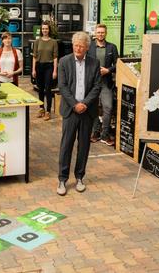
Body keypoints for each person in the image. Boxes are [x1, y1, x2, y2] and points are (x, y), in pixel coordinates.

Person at [56, 31, 102, 196]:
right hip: (70, 110)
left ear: (87, 48)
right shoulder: (64, 62)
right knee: (66, 145)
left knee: (84, 146)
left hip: (87, 111)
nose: (78, 48)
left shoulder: (94, 63)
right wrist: (75, 104)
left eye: (81, 46)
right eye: (76, 45)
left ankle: (80, 177)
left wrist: (85, 104)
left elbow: (97, 86)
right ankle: (62, 179)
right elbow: (62, 86)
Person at [86, 24, 119, 146]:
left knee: (108, 107)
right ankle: (95, 132)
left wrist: (108, 70)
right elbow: (84, 62)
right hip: (92, 83)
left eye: (102, 32)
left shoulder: (112, 47)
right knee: (93, 108)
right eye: (98, 32)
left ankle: (105, 134)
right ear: (95, 33)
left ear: (106, 33)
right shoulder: (89, 47)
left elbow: (117, 64)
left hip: (106, 83)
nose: (100, 34)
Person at [32, 21, 58, 121]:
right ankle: (41, 108)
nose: (45, 30)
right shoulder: (37, 41)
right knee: (40, 88)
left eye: (46, 29)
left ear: (49, 30)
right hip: (39, 66)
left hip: (49, 67)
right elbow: (34, 57)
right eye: (43, 29)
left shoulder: (53, 42)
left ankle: (48, 111)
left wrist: (55, 71)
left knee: (48, 89)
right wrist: (33, 69)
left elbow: (55, 57)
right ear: (41, 30)